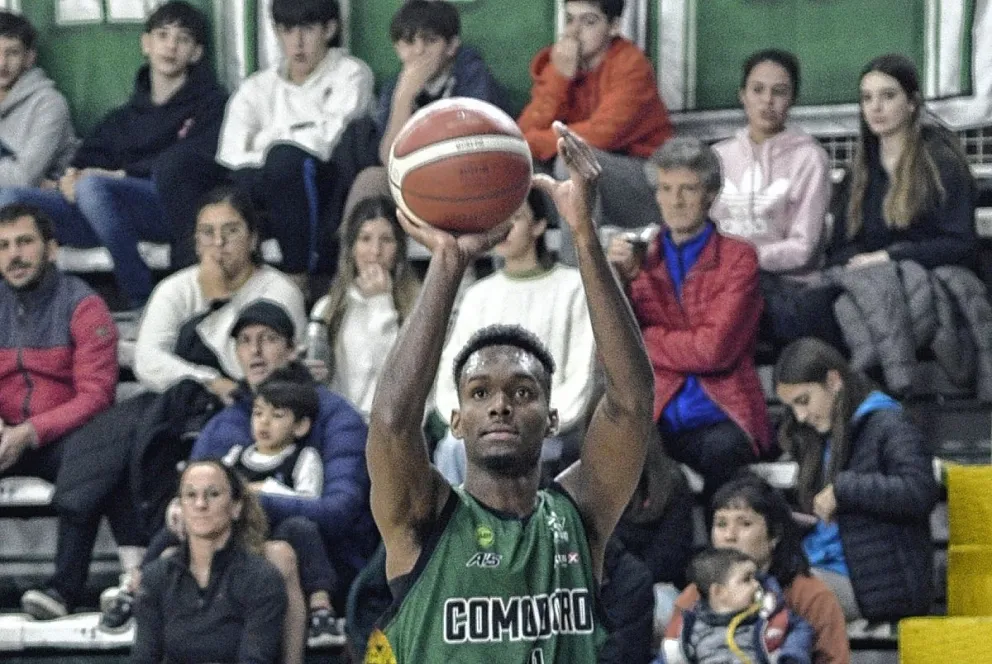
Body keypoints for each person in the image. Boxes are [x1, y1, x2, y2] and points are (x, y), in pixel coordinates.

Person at [364, 121, 655, 661]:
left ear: (551, 418)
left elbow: (632, 403)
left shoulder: (578, 518)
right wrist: (448, 265)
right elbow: (391, 424)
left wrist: (584, 238)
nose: (499, 403)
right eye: (478, 393)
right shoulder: (424, 517)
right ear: (455, 421)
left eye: (523, 393)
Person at [0, 1, 227, 309]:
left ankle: (139, 298)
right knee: (11, 197)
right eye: (162, 35)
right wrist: (68, 178)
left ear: (196, 53)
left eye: (182, 39)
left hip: (168, 209)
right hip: (105, 215)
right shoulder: (124, 116)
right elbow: (85, 159)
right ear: (146, 44)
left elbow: (190, 164)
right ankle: (18, 309)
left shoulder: (211, 104)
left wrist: (115, 176)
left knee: (92, 187)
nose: (171, 46)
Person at [607, 137, 772, 500]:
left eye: (688, 189)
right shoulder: (639, 258)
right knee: (604, 456)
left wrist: (646, 340)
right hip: (656, 415)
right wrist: (618, 278)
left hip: (721, 413)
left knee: (720, 456)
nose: (675, 201)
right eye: (666, 189)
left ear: (710, 195)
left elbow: (713, 351)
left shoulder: (738, 258)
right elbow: (613, 343)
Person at [0, 203, 120, 619]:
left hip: (60, 435)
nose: (13, 255)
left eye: (24, 242)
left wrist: (31, 431)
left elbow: (96, 395)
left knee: (92, 465)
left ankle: (62, 591)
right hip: (3, 431)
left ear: (51, 249)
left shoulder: (84, 306)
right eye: (3, 246)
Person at [433, 189, 597, 484]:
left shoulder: (573, 288)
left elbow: (580, 377)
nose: (504, 229)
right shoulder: (478, 295)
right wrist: (469, 418)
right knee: (451, 447)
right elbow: (450, 373)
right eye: (498, 220)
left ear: (539, 226)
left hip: (548, 430)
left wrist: (529, 419)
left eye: (516, 218)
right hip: (483, 425)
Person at [774, 337, 939, 622]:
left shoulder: (887, 423)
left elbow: (919, 490)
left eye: (804, 401)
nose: (800, 417)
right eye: (792, 407)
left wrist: (843, 489)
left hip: (877, 585)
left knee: (768, 602)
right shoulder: (815, 436)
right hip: (819, 566)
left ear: (834, 381)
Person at [212, 0, 374, 289]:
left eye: (308, 29)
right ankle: (208, 280)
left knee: (284, 160)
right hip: (261, 182)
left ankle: (298, 277)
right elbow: (232, 154)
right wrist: (288, 138)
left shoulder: (351, 74)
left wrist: (268, 140)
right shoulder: (256, 87)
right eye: (287, 30)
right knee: (186, 168)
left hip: (326, 184)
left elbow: (327, 142)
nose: (297, 42)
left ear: (329, 29)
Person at [517, 0, 673, 265]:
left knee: (572, 164)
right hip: (585, 184)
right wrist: (559, 77)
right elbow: (522, 133)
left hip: (644, 186)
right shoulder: (560, 64)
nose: (573, 32)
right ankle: (514, 278)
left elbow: (602, 134)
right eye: (570, 20)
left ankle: (577, 277)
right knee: (512, 166)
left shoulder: (631, 64)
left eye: (588, 21)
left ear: (613, 27)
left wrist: (532, 141)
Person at [133, 186, 306, 401]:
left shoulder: (280, 290)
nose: (218, 243)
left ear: (252, 239)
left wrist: (218, 302)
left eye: (231, 231)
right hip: (187, 403)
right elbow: (146, 361)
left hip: (262, 405)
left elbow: (251, 369)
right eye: (207, 233)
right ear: (196, 244)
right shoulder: (174, 288)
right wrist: (210, 382)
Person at [343, 0, 508, 220]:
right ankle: (354, 254)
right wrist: (404, 98)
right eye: (409, 42)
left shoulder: (472, 76)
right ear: (398, 48)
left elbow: (475, 147)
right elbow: (387, 159)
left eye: (430, 41)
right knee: (371, 180)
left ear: (451, 46)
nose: (419, 51)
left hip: (464, 174)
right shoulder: (396, 86)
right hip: (414, 179)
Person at [666, 474, 850, 664]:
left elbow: (834, 660)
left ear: (774, 535)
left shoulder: (810, 595)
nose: (729, 536)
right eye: (721, 524)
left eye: (745, 524)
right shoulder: (696, 595)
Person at [828, 53, 975, 272]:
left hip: (934, 279)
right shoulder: (860, 169)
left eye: (888, 96)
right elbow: (841, 245)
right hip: (871, 280)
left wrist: (889, 257)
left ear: (912, 103)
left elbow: (960, 244)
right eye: (867, 98)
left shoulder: (942, 163)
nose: (875, 107)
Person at [131, 460, 287, 664]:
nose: (200, 504)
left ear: (236, 507)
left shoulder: (261, 578)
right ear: (180, 507)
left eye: (213, 494)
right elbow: (144, 657)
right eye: (190, 495)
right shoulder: (157, 576)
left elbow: (255, 659)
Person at [710, 49, 830, 276]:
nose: (767, 100)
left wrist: (741, 261)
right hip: (718, 280)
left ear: (793, 99)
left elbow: (804, 248)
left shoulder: (810, 158)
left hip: (784, 284)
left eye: (779, 92)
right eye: (757, 90)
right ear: (742, 95)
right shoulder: (717, 156)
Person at [310, 196, 421, 420]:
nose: (375, 251)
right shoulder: (327, 308)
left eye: (386, 240)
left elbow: (397, 379)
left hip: (397, 424)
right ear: (351, 248)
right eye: (365, 239)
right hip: (342, 425)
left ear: (399, 248)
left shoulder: (418, 305)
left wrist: (381, 302)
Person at [663, 547, 813, 664]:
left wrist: (792, 656)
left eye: (756, 578)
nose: (756, 585)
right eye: (747, 579)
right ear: (719, 592)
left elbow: (801, 630)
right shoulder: (688, 629)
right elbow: (667, 657)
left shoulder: (771, 618)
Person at [0, 11, 76, 188]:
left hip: (39, 205)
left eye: (12, 53)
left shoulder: (49, 104)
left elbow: (23, 179)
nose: (2, 63)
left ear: (29, 58)